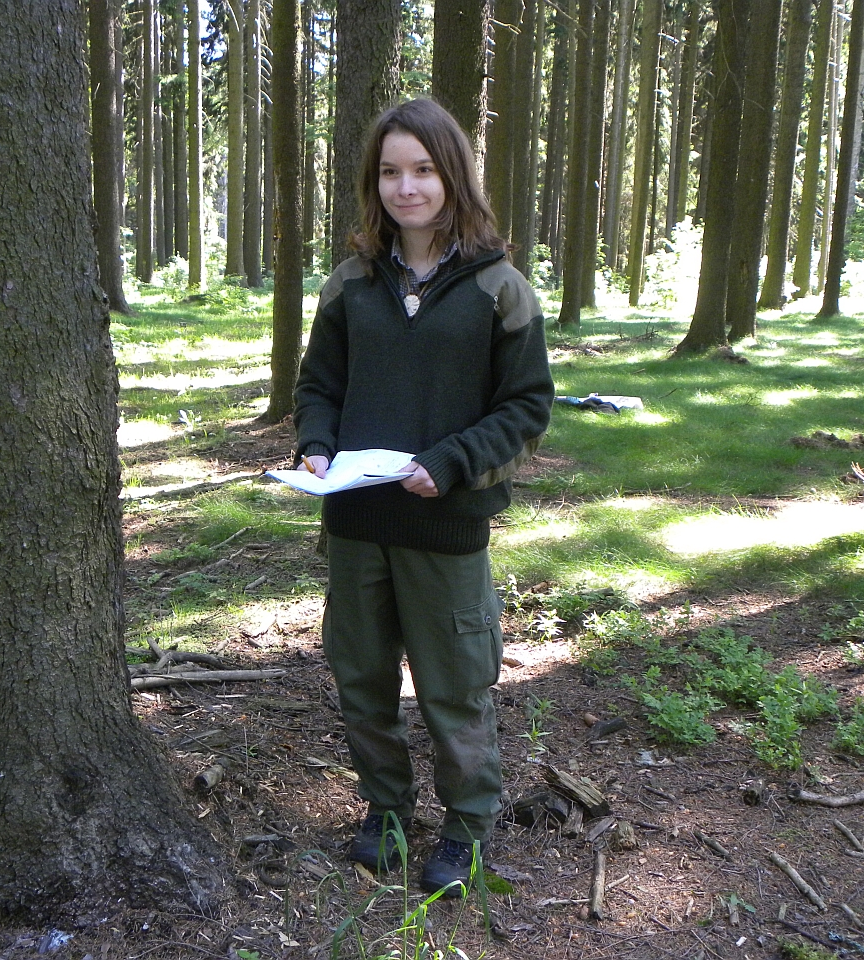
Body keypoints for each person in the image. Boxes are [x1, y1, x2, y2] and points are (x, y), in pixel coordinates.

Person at [292, 98, 554, 895]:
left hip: (447, 526)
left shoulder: (499, 288)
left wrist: (452, 461)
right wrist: (315, 444)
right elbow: (318, 386)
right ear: (374, 183)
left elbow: (526, 407)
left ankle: (467, 829)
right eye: (390, 172)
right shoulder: (350, 283)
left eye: (424, 170)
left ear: (453, 176)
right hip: (358, 522)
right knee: (362, 680)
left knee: (455, 688)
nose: (406, 188)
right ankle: (387, 811)